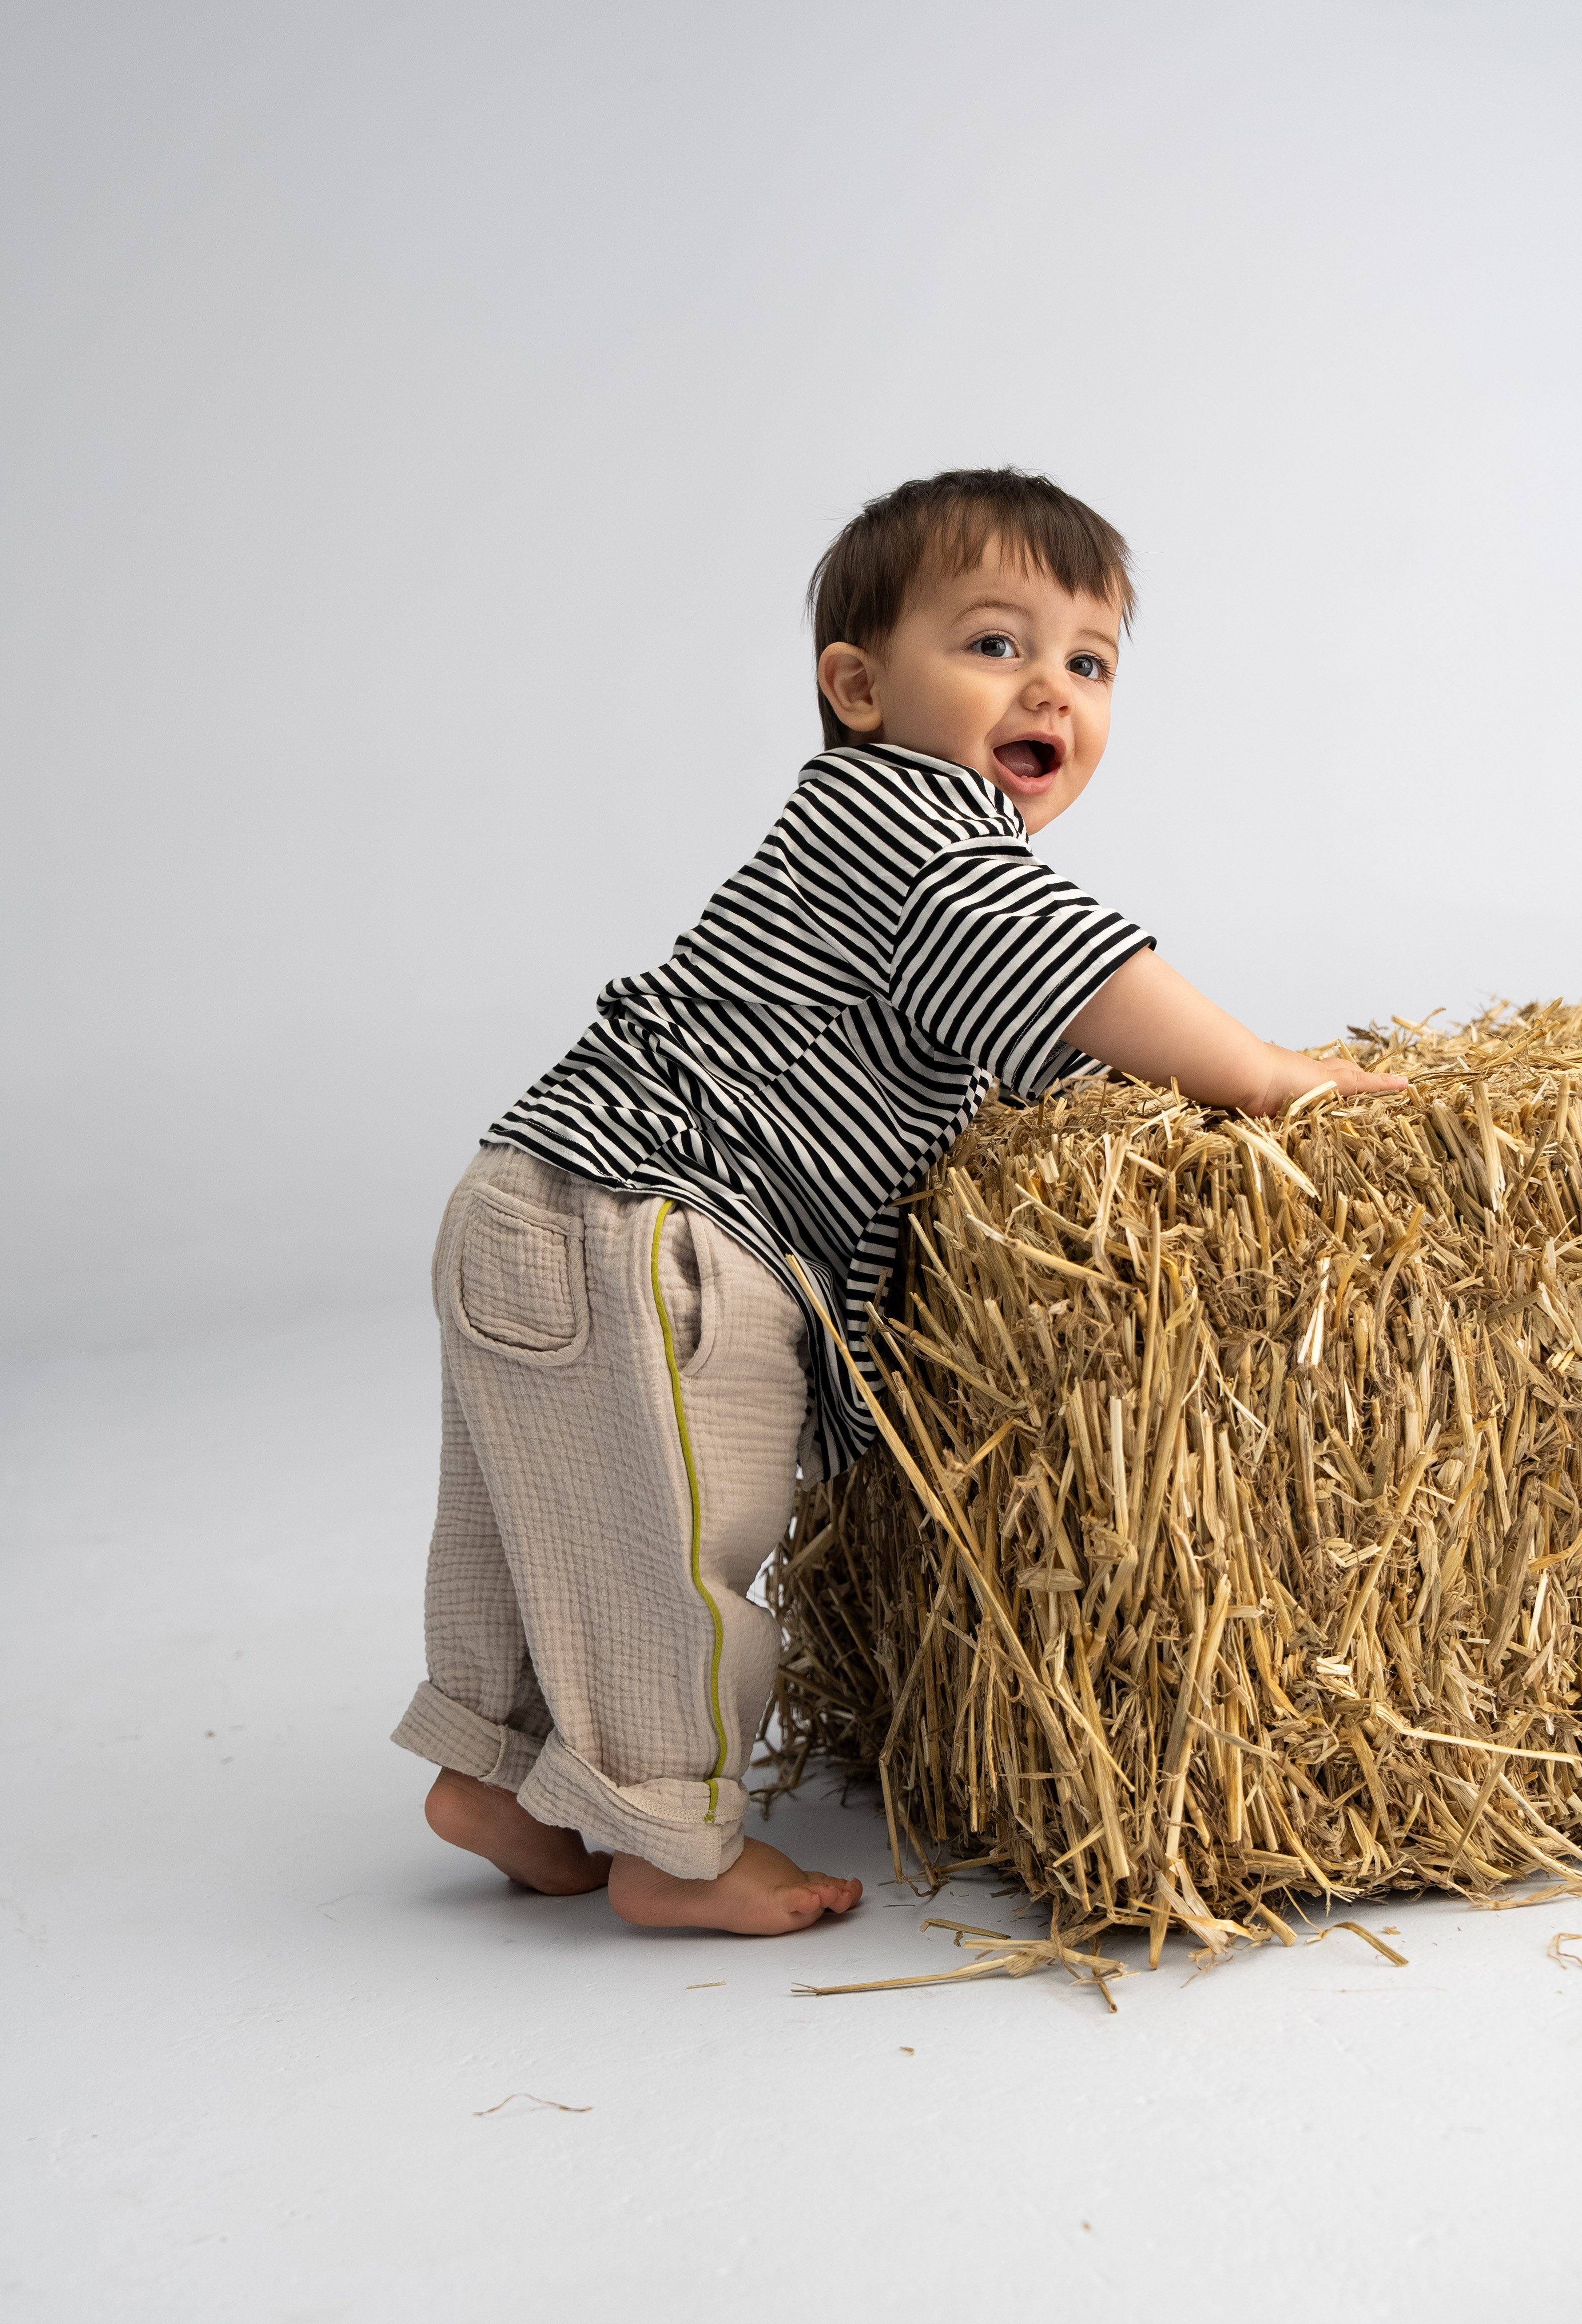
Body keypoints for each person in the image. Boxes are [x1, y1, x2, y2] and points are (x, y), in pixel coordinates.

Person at [392, 467, 1406, 1936]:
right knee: (686, 1543)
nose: (1048, 685)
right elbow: (1060, 962)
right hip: (661, 1229)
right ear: (860, 687)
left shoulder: (885, 870)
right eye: (996, 644)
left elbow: (1013, 1055)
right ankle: (673, 1853)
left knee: (544, 1511)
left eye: (1090, 661)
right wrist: (1251, 1072)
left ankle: (495, 1771)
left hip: (542, 1198)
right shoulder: (906, 823)